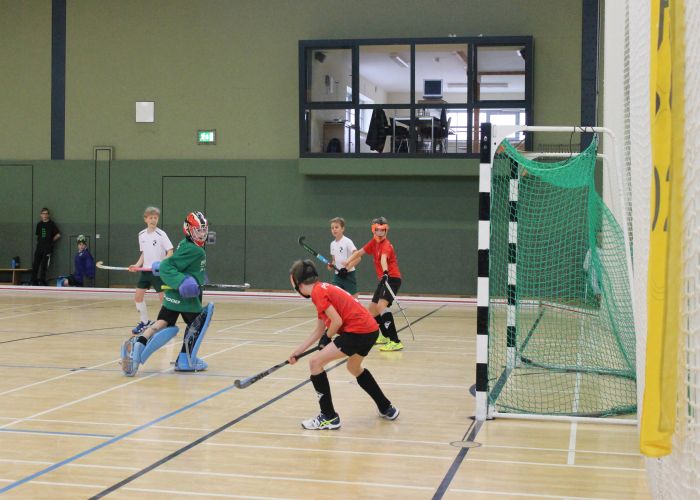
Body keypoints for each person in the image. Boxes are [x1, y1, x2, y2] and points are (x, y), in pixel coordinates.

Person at [288, 259, 399, 430]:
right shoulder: (322, 289)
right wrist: (298, 351)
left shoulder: (318, 293)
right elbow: (319, 329)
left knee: (315, 363)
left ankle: (329, 417)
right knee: (354, 367)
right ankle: (386, 407)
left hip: (357, 332)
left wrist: (326, 339)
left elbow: (337, 322)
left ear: (297, 283)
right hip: (370, 330)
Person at [121, 211, 213, 377]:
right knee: (197, 325)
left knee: (162, 323)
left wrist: (198, 276)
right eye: (198, 230)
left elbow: (182, 265)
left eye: (204, 230)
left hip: (172, 296)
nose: (202, 234)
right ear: (188, 230)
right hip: (187, 300)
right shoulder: (196, 250)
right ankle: (185, 359)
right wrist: (182, 281)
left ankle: (137, 345)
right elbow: (166, 266)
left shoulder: (184, 244)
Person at [341, 216, 403, 352]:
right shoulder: (374, 243)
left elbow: (383, 259)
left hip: (392, 278)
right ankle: (385, 336)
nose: (380, 233)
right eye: (377, 230)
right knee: (373, 309)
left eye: (382, 230)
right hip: (384, 279)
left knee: (381, 307)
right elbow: (359, 252)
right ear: (373, 230)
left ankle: (395, 341)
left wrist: (385, 272)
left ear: (386, 230)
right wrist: (347, 263)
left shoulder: (386, 245)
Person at [129, 207, 174, 334]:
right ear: (145, 219)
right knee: (138, 297)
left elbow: (170, 252)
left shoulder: (161, 234)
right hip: (146, 272)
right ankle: (145, 322)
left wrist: (161, 263)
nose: (153, 220)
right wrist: (136, 265)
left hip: (158, 272)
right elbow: (144, 253)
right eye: (151, 218)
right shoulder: (141, 234)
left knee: (163, 300)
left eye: (155, 218)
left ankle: (165, 323)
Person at [328, 217, 358, 298]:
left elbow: (358, 256)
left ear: (342, 229)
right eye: (332, 228)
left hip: (349, 275)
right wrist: (331, 265)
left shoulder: (347, 241)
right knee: (333, 295)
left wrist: (346, 268)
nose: (334, 229)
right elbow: (334, 260)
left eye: (336, 227)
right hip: (337, 276)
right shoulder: (332, 244)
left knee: (353, 299)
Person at [31, 207, 61, 286]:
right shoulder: (39, 224)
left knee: (44, 265)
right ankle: (34, 281)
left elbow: (58, 235)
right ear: (41, 215)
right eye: (43, 213)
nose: (45, 215)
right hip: (39, 247)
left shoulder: (51, 224)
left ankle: (42, 281)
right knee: (35, 264)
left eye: (46, 213)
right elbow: (38, 236)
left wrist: (51, 241)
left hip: (47, 248)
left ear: (48, 215)